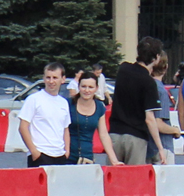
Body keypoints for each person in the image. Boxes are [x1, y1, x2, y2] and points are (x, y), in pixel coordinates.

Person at [109, 36, 167, 165]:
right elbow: (149, 118)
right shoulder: (149, 82)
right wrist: (160, 147)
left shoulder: (123, 69)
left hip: (114, 134)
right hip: (136, 136)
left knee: (114, 180)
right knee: (133, 181)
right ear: (156, 57)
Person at [18, 62, 70, 167]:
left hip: (60, 155)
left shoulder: (63, 102)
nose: (51, 81)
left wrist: (67, 151)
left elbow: (65, 128)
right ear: (44, 78)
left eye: (55, 78)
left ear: (63, 79)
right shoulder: (34, 99)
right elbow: (23, 127)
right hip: (41, 154)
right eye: (48, 77)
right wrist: (34, 152)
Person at [68, 72, 120, 165]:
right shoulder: (68, 104)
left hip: (87, 158)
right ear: (79, 87)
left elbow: (104, 135)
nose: (87, 90)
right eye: (83, 86)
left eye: (90, 87)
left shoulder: (100, 106)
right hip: (67, 156)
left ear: (96, 88)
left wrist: (114, 160)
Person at [147, 51, 180, 165]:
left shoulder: (145, 86)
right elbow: (159, 124)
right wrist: (175, 130)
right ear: (166, 67)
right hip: (163, 146)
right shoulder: (161, 91)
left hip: (147, 146)